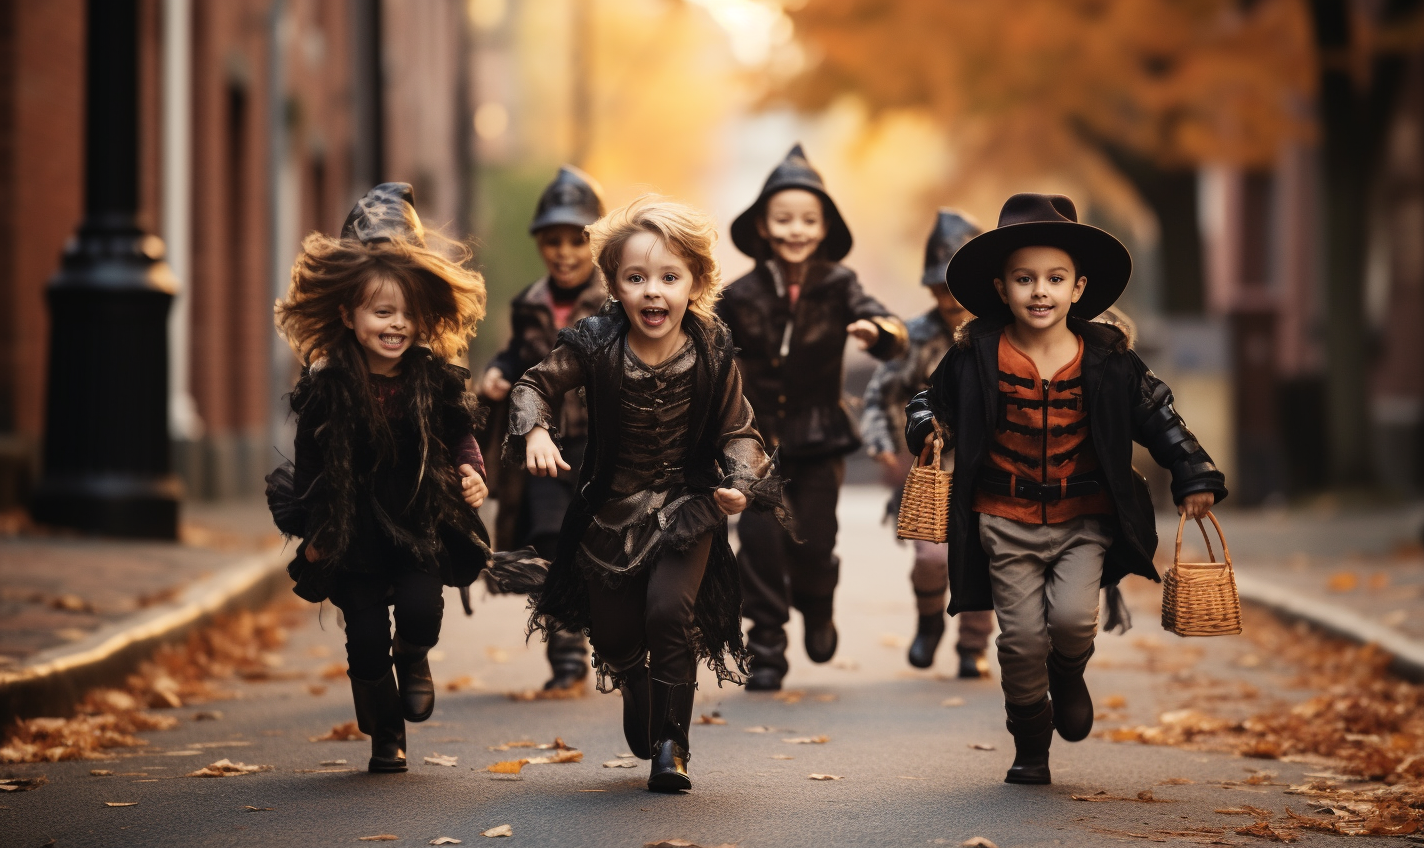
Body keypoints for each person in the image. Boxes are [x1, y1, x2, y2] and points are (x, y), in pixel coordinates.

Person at [904, 193, 1227, 785]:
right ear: (1002, 288)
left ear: (1078, 288)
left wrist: (1193, 473)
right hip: (1003, 516)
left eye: (1055, 278)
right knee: (1022, 639)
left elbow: (1160, 416)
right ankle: (1030, 742)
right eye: (1024, 279)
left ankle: (1070, 672)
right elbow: (929, 399)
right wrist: (927, 424)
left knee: (1074, 622)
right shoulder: (974, 353)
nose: (1040, 292)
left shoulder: (1109, 358)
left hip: (1085, 518)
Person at [511, 196, 785, 793]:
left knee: (669, 613)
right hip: (609, 513)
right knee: (612, 636)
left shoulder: (713, 348)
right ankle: (635, 679)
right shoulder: (595, 342)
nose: (653, 293)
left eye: (669, 277)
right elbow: (534, 383)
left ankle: (672, 746)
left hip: (689, 509)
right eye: (636, 279)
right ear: (614, 285)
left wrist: (738, 483)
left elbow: (739, 430)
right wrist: (534, 428)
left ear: (697, 283)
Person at [269, 183, 491, 774]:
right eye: (382, 312)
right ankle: (383, 734)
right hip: (351, 526)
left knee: (420, 608)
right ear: (349, 313)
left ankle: (413, 657)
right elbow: (311, 464)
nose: (397, 326)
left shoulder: (434, 375)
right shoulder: (327, 384)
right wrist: (317, 530)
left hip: (418, 515)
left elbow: (460, 429)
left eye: (409, 314)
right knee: (364, 639)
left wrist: (471, 469)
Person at [718, 144, 908, 691]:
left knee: (815, 540)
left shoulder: (838, 284)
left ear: (824, 228)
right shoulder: (742, 292)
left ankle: (818, 605)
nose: (796, 229)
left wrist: (878, 333)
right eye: (784, 219)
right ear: (763, 226)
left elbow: (886, 322)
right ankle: (768, 644)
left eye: (808, 219)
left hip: (819, 433)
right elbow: (705, 338)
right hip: (754, 441)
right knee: (758, 538)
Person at [478, 166, 606, 692]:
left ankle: (609, 635)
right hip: (540, 444)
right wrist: (499, 372)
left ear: (596, 242)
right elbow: (516, 354)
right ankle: (567, 647)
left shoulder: (617, 302)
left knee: (596, 546)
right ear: (540, 244)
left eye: (577, 240)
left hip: (597, 447)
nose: (565, 252)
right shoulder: (529, 303)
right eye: (553, 241)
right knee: (546, 540)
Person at [861, 209, 995, 677]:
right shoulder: (916, 338)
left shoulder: (1002, 334)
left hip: (993, 463)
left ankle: (972, 646)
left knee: (981, 554)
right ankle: (928, 622)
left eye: (955, 285)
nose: (948, 297)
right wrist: (884, 447)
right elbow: (878, 396)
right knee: (931, 555)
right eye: (939, 287)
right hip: (929, 464)